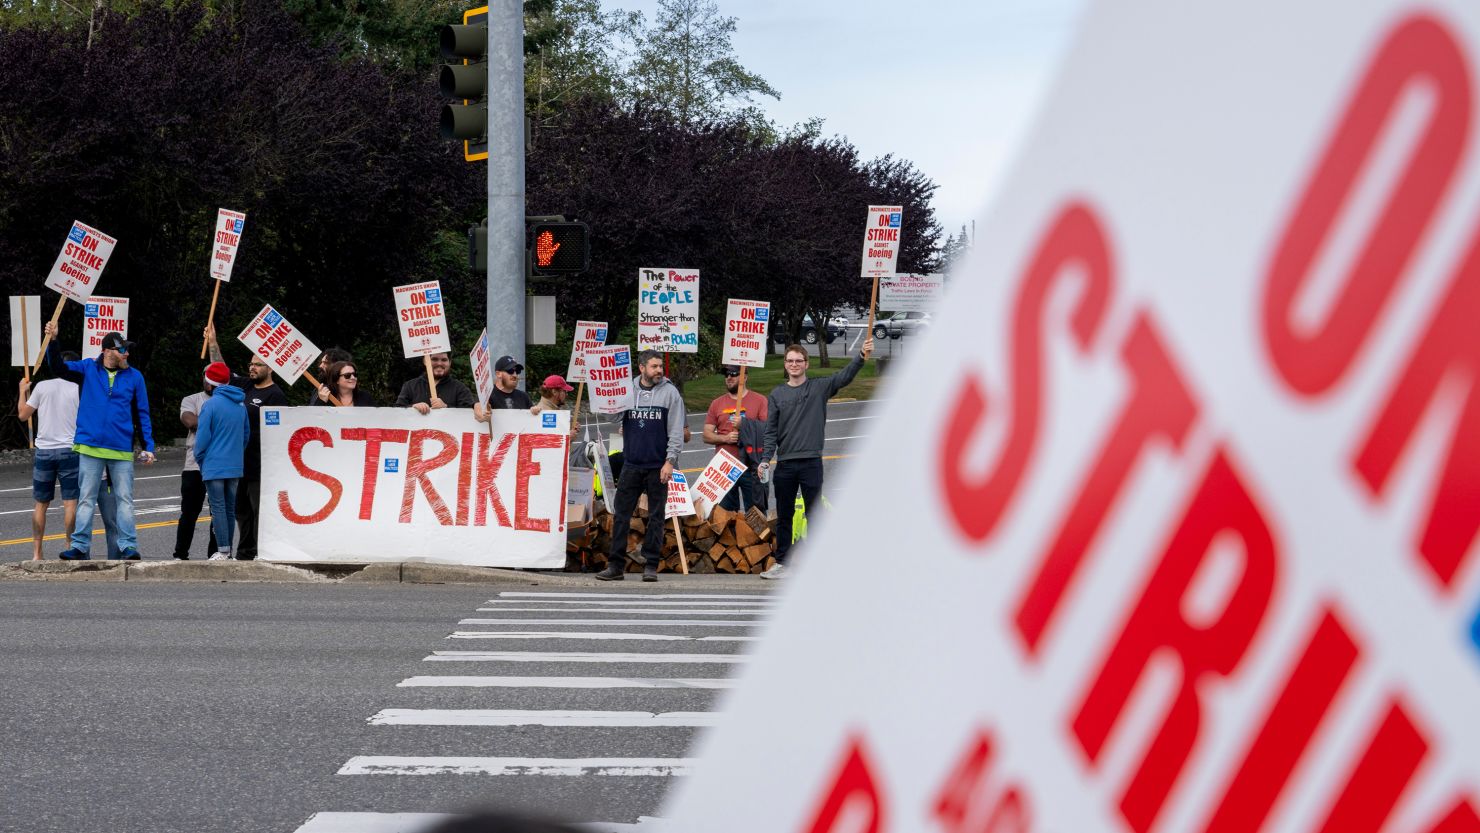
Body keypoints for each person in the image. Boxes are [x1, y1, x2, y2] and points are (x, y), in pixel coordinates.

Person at [759, 339, 873, 579]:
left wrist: (861, 356)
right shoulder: (777, 394)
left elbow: (844, 377)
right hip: (786, 464)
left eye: (798, 361)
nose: (794, 364)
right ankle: (782, 563)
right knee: (785, 515)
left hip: (811, 462)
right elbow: (770, 432)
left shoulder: (819, 388)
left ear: (806, 364)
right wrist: (765, 459)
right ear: (785, 365)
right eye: (789, 361)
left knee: (814, 515)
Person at [43, 325, 155, 561]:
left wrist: (148, 446)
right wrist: (53, 341)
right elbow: (58, 367)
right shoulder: (87, 368)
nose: (126, 353)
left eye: (127, 349)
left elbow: (142, 413)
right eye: (121, 349)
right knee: (86, 499)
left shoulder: (135, 376)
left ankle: (128, 547)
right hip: (90, 445)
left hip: (122, 448)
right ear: (106, 351)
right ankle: (80, 546)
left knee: (125, 500)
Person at [596, 350, 685, 583]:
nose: (659, 370)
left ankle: (651, 565)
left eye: (660, 367)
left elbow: (676, 431)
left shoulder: (670, 393)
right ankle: (615, 565)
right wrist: (606, 400)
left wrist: (670, 462)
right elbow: (613, 419)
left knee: (656, 516)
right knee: (621, 515)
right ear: (642, 368)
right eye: (654, 366)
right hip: (631, 463)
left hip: (658, 466)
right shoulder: (627, 390)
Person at [205, 325, 290, 560]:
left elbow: (279, 431)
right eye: (251, 364)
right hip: (238, 462)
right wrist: (213, 342)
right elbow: (221, 369)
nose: (252, 368)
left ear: (270, 368)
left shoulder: (276, 395)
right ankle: (244, 551)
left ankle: (261, 550)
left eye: (258, 364)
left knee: (258, 510)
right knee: (240, 510)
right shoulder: (244, 386)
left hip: (260, 463)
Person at [18, 354, 81, 561]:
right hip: (70, 449)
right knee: (70, 503)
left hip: (44, 449)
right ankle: (70, 545)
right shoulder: (77, 389)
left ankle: (37, 553)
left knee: (40, 503)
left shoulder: (42, 387)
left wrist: (22, 392)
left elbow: (23, 415)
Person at [193, 362, 250, 561]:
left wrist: (200, 458)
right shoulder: (240, 405)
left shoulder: (210, 405)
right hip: (234, 464)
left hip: (213, 464)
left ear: (210, 383)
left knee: (217, 508)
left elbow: (202, 439)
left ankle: (223, 550)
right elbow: (245, 436)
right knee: (229, 508)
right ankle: (229, 552)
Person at [702, 365, 768, 512]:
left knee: (757, 514)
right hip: (724, 467)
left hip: (752, 465)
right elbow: (706, 435)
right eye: (726, 374)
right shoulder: (717, 403)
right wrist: (725, 438)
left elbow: (768, 430)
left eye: (733, 374)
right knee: (726, 516)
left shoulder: (760, 400)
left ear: (744, 377)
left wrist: (744, 425)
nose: (729, 377)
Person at [172, 369, 221, 560]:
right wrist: (222, 424)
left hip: (219, 463)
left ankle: (215, 554)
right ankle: (180, 554)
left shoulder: (227, 402)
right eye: (205, 377)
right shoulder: (191, 399)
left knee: (218, 513)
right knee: (189, 512)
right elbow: (190, 421)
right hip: (194, 464)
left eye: (213, 378)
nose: (208, 381)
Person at [396, 352, 477, 413]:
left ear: (450, 363)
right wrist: (413, 407)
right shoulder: (410, 386)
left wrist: (446, 407)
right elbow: (397, 411)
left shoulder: (460, 388)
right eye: (434, 359)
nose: (439, 363)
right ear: (425, 361)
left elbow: (469, 413)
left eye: (444, 360)